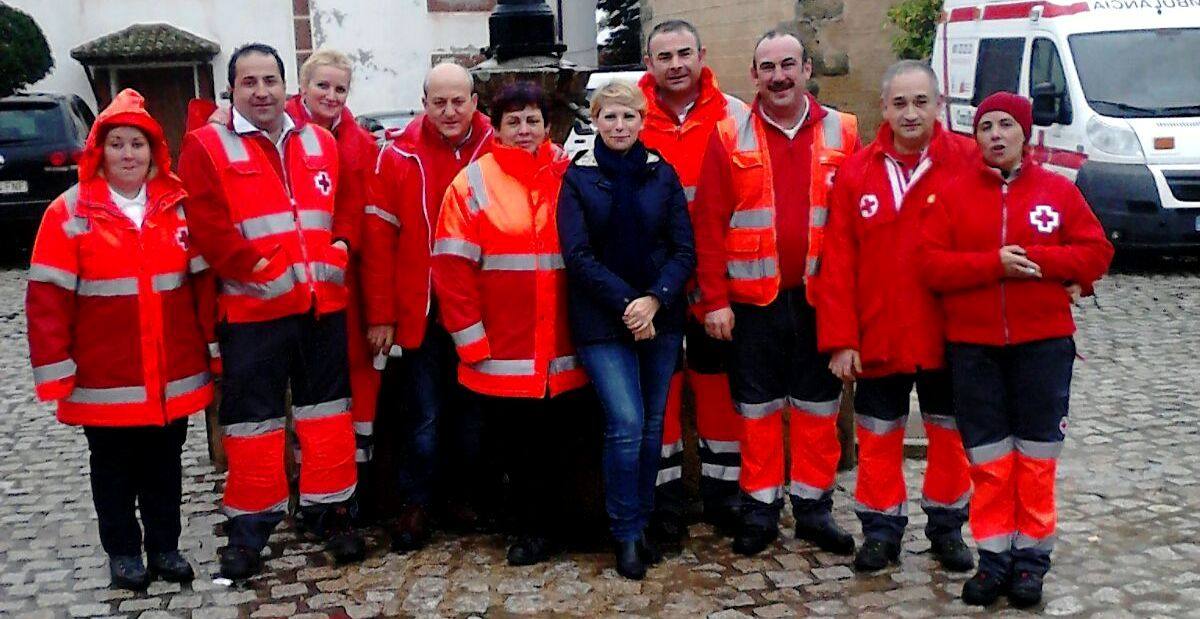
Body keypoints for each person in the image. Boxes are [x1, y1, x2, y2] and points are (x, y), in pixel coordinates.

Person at [178, 42, 365, 579]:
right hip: (252, 311)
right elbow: (206, 225)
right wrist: (258, 268)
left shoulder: (319, 141)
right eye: (249, 82)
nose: (261, 92)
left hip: (321, 307)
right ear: (232, 89)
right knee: (252, 425)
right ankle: (250, 529)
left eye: (270, 81)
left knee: (328, 415)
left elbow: (347, 203)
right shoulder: (206, 146)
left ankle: (331, 512)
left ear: (287, 87)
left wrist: (342, 245)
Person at [921, 92, 1113, 607]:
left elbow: (1096, 252)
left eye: (1006, 125)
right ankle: (993, 559)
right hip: (974, 349)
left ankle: (1030, 561)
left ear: (1025, 134)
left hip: (1042, 347)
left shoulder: (1058, 191)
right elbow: (932, 266)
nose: (996, 135)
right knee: (989, 460)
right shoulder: (953, 195)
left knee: (1035, 459)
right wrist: (993, 264)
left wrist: (1039, 262)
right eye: (986, 127)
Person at [26, 89, 218, 590]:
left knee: (164, 467)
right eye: (117, 144)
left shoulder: (178, 208)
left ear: (154, 151)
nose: (128, 154)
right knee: (112, 472)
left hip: (171, 376)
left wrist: (212, 350)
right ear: (99, 151)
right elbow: (47, 300)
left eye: (137, 144)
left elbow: (202, 289)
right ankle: (123, 553)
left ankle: (165, 547)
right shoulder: (68, 213)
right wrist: (56, 370)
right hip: (105, 380)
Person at [692, 30, 861, 557]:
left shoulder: (844, 131)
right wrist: (714, 301)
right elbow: (708, 223)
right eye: (768, 67)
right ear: (754, 76)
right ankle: (760, 509)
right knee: (757, 410)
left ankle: (813, 508)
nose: (779, 76)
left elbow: (859, 225)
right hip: (752, 303)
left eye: (788, 65)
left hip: (818, 299)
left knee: (818, 408)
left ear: (807, 69)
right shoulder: (728, 135)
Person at [816, 60, 975, 573]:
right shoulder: (858, 171)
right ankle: (881, 531)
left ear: (938, 106)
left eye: (921, 102)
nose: (911, 113)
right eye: (900, 103)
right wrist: (841, 339)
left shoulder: (969, 161)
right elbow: (837, 262)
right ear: (884, 107)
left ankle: (947, 528)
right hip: (879, 332)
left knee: (949, 437)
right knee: (878, 436)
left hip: (949, 333)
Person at [431, 81, 589, 567]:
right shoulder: (472, 184)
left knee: (564, 442)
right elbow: (451, 268)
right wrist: (471, 340)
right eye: (513, 121)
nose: (524, 130)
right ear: (496, 129)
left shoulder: (569, 175)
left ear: (548, 126)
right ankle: (529, 529)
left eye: (532, 120)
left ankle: (564, 524)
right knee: (517, 448)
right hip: (504, 351)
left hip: (566, 347)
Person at [557, 81, 696, 579]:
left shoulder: (662, 173)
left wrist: (654, 299)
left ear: (642, 121)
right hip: (602, 319)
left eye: (629, 117)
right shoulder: (578, 177)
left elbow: (683, 249)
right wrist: (628, 304)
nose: (620, 126)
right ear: (595, 120)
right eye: (610, 117)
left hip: (660, 315)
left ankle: (644, 520)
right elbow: (577, 255)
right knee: (627, 422)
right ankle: (625, 532)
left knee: (653, 426)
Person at [363, 62, 494, 550]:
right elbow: (379, 241)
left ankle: (463, 497)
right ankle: (416, 503)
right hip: (421, 307)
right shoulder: (397, 154)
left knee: (473, 411)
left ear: (474, 102)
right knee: (424, 413)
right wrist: (381, 314)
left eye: (459, 101)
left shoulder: (496, 146)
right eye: (439, 102)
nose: (450, 111)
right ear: (424, 104)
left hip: (480, 307)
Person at [637, 19, 748, 550]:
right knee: (661, 390)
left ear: (702, 55)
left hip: (714, 275)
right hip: (653, 281)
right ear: (648, 64)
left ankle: (726, 494)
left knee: (716, 383)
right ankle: (665, 503)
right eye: (665, 56)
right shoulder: (629, 115)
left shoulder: (735, 115)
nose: (676, 65)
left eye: (684, 53)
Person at [285, 48, 381, 506]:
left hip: (348, 283)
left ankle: (350, 487)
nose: (331, 95)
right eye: (322, 85)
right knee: (306, 392)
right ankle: (306, 482)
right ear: (303, 87)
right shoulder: (279, 134)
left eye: (340, 88)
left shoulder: (360, 144)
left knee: (352, 388)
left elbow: (369, 223)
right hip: (291, 284)